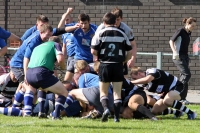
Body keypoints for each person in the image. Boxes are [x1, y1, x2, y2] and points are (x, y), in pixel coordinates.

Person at [91, 12, 132, 122]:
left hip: (104, 65)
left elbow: (93, 50)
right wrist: (124, 61)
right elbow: (130, 52)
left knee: (103, 91)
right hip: (118, 66)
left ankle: (106, 109)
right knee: (117, 92)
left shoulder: (99, 33)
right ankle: (117, 117)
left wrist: (100, 55)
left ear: (104, 22)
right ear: (115, 22)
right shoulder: (122, 34)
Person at [24, 36, 68, 120]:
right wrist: (63, 67)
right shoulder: (56, 44)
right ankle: (56, 116)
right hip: (41, 73)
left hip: (29, 74)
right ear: (59, 43)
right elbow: (60, 59)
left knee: (42, 88)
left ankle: (42, 112)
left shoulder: (38, 46)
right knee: (64, 93)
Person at [130, 67, 197, 120]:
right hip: (166, 93)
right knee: (154, 111)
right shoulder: (142, 84)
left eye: (134, 78)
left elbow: (147, 79)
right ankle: (178, 113)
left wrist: (132, 82)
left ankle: (191, 113)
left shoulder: (151, 71)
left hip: (177, 87)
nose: (135, 80)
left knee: (167, 101)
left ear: (139, 73)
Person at [96, 7, 137, 75]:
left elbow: (133, 45)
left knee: (123, 81)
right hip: (105, 59)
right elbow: (95, 43)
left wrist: (132, 58)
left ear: (122, 19)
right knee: (104, 80)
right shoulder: (102, 27)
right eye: (114, 19)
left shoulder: (126, 29)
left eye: (118, 20)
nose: (115, 22)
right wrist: (96, 58)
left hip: (120, 59)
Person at [60, 9, 97, 82]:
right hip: (78, 58)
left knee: (93, 79)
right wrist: (67, 15)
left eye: (85, 23)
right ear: (78, 23)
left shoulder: (95, 29)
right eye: (81, 23)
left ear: (89, 22)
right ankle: (65, 92)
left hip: (90, 60)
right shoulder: (75, 28)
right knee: (67, 79)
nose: (83, 26)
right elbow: (59, 28)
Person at [169, 17, 197, 104]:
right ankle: (177, 93)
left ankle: (182, 98)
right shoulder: (180, 30)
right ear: (187, 24)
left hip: (185, 56)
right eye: (192, 26)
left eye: (194, 26)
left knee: (184, 76)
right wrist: (174, 52)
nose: (193, 27)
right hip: (178, 56)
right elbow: (171, 41)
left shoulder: (189, 33)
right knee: (186, 74)